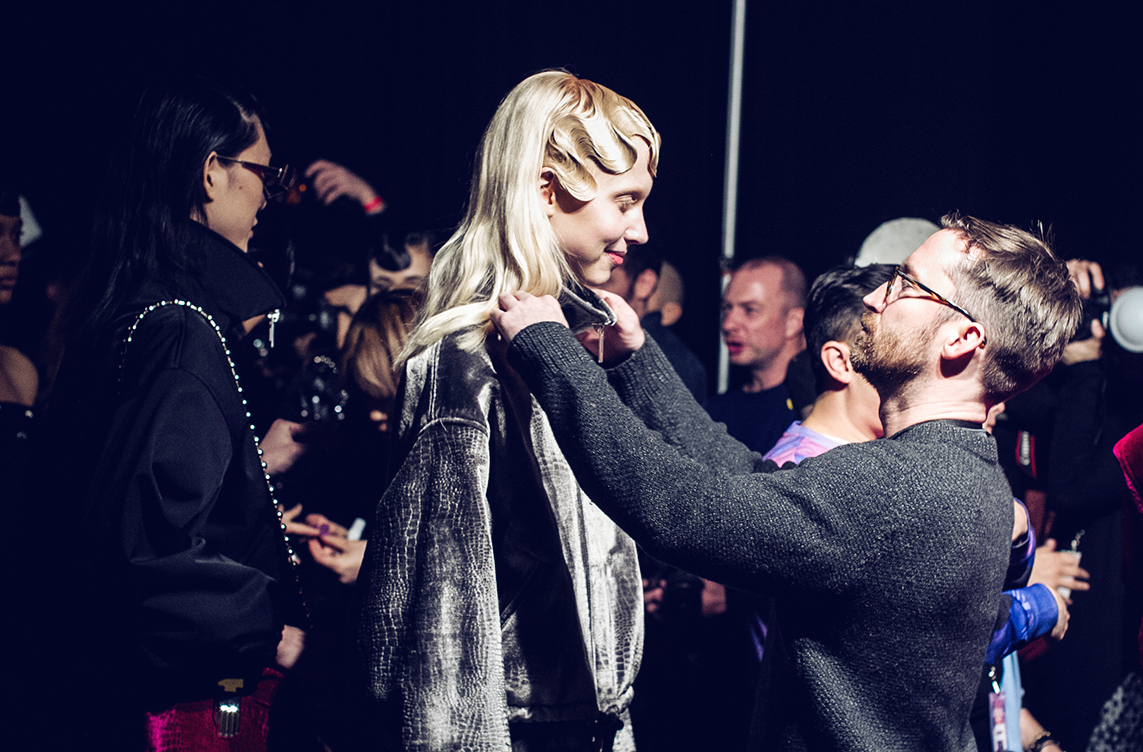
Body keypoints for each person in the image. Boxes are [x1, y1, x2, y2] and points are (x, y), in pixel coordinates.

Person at [491, 213, 1081, 751]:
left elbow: (679, 507)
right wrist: (635, 361)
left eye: (906, 284)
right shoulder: (962, 475)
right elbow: (755, 485)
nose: (876, 296)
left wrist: (546, 348)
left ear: (960, 339)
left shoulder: (900, 487)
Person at [356, 70, 658, 751]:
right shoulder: (464, 361)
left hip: (581, 728)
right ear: (548, 193)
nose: (639, 229)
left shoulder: (570, 347)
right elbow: (441, 625)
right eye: (625, 200)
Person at [42, 76, 309, 749]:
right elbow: (143, 545)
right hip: (182, 698)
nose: (267, 197)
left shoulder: (120, 305)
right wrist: (267, 626)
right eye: (261, 173)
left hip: (96, 680)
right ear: (211, 173)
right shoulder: (178, 325)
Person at [708, 256, 807, 453]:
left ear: (793, 321)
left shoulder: (813, 410)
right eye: (727, 308)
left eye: (749, 310)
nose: (728, 324)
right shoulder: (716, 413)